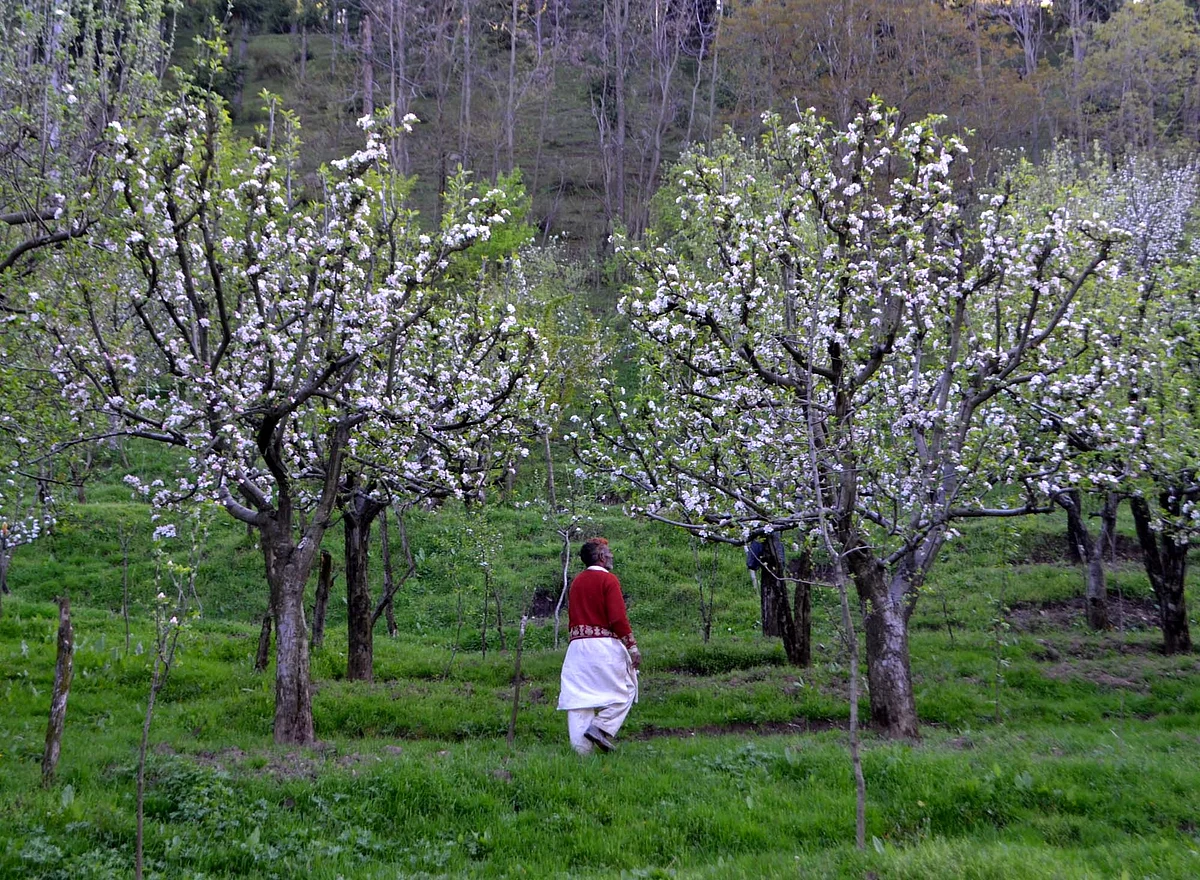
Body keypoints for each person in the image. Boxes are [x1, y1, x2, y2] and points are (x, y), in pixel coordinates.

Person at [557, 537, 641, 754]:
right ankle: (602, 726)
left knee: (579, 699)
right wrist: (632, 646)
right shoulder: (609, 580)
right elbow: (617, 619)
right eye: (609, 552)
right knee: (626, 690)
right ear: (602, 557)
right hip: (604, 646)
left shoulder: (576, 582)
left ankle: (582, 756)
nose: (612, 555)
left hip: (576, 649)